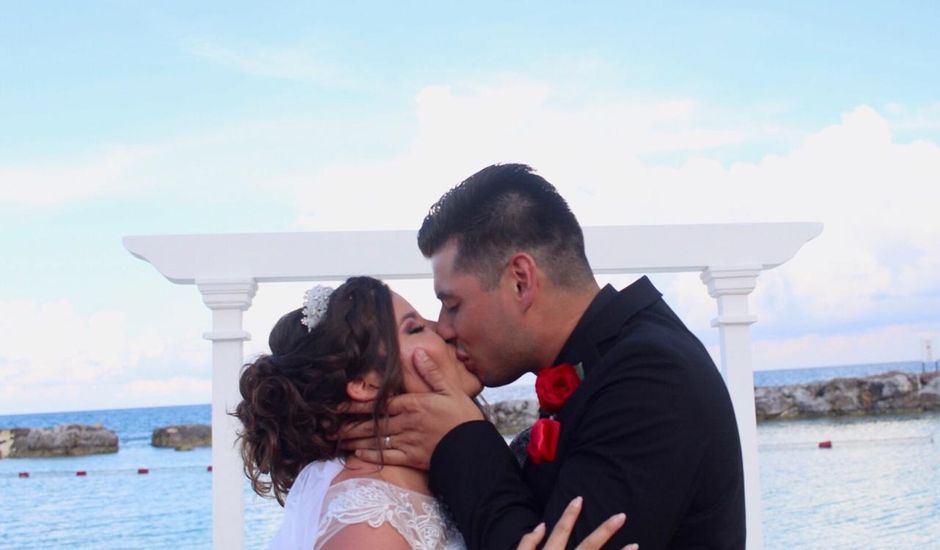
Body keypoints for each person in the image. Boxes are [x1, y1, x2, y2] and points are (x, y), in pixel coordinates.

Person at [340, 164, 746, 549]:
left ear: (520, 281)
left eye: (453, 304)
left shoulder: (654, 378)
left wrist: (459, 436)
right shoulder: (613, 358)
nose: (443, 328)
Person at [235, 276, 635, 550]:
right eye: (414, 328)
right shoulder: (366, 522)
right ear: (366, 384)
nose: (443, 329)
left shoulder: (437, 485)